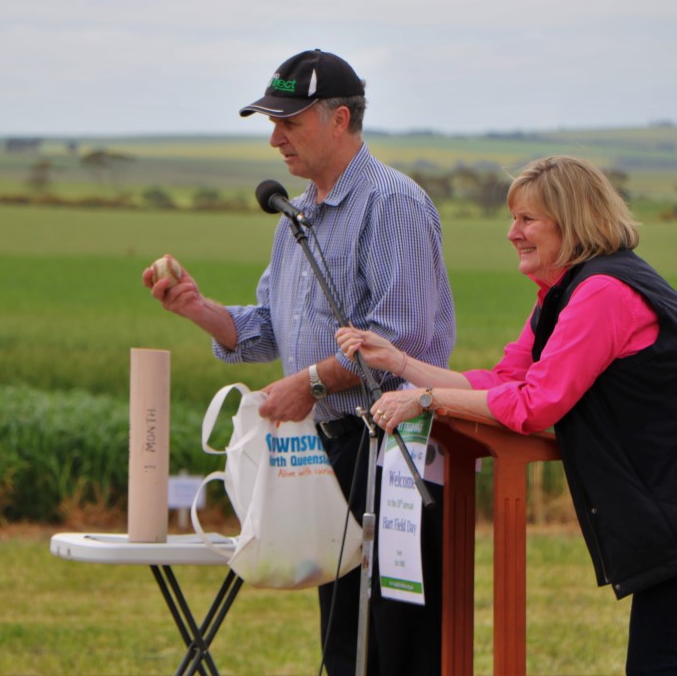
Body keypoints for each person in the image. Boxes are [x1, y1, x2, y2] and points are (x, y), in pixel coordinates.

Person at [337, 155, 677, 676]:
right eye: (514, 220)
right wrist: (399, 363)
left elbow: (534, 405)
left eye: (527, 220)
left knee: (660, 665)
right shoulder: (562, 295)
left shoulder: (601, 293)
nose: (512, 233)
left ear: (572, 222)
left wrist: (426, 401)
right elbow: (505, 381)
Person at [144, 49, 455, 676]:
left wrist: (309, 384)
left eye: (289, 121)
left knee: (391, 649)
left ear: (339, 119)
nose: (274, 138)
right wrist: (198, 307)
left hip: (391, 453)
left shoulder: (393, 205)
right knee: (344, 645)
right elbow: (268, 326)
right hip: (330, 453)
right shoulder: (296, 216)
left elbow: (397, 341)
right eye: (271, 121)